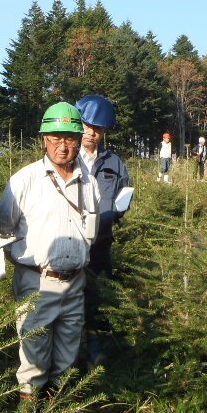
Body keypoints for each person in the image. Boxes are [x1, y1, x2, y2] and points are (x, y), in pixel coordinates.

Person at [0, 102, 100, 404]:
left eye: (69, 138)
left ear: (79, 140)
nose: (62, 147)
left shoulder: (89, 182)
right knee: (33, 361)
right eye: (55, 138)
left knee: (67, 357)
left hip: (75, 283)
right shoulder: (24, 180)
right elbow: (2, 227)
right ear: (43, 140)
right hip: (37, 283)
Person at [75, 94, 131, 366]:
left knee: (99, 298)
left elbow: (124, 195)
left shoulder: (114, 163)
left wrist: (116, 212)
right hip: (71, 244)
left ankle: (97, 354)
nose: (91, 133)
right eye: (86, 126)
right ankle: (70, 355)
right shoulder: (66, 158)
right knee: (70, 300)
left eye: (97, 129)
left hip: (101, 244)